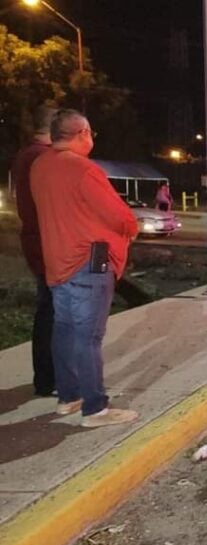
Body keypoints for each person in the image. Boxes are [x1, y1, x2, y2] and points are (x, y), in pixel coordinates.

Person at [30, 109, 139, 427]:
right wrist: (131, 228)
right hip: (87, 263)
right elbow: (119, 216)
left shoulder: (40, 165)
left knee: (63, 330)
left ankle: (69, 397)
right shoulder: (82, 169)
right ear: (81, 133)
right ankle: (95, 408)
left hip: (57, 262)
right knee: (88, 337)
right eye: (90, 133)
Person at [12, 105, 56, 398]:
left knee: (48, 308)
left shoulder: (26, 155)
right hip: (48, 241)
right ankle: (48, 379)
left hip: (36, 238)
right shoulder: (42, 158)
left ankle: (47, 377)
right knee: (52, 311)